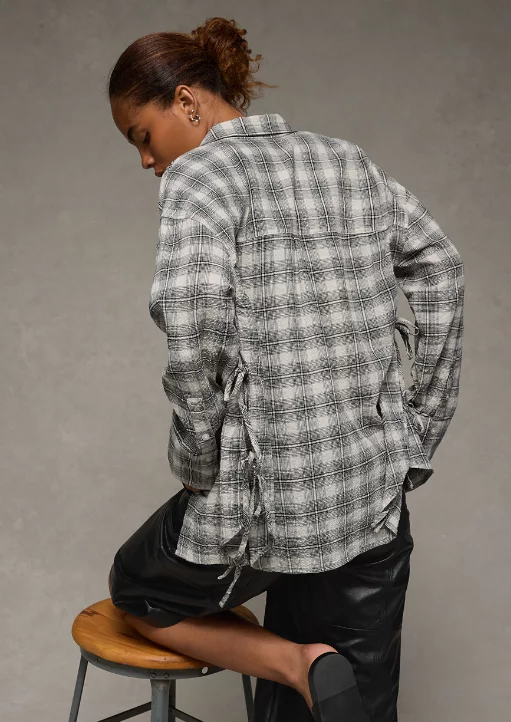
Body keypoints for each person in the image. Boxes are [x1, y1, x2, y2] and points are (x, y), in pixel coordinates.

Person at [106, 16, 465, 722]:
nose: (146, 160)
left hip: (268, 508)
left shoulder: (200, 174)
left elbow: (192, 320)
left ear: (187, 101)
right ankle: (309, 669)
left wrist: (198, 459)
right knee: (351, 706)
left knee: (138, 588)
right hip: (371, 496)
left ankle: (294, 662)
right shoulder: (346, 161)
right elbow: (441, 266)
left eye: (142, 136)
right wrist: (417, 431)